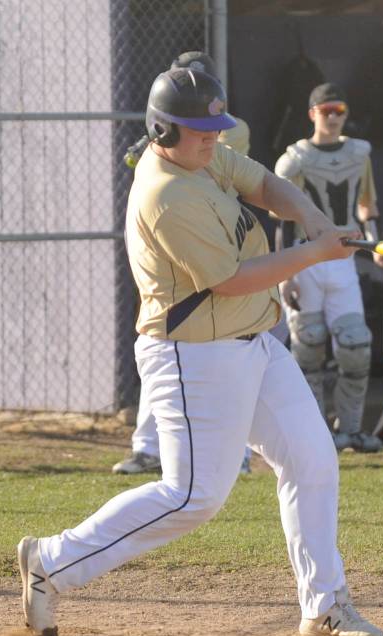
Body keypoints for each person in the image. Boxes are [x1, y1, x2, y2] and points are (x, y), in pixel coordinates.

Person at [17, 67, 383, 636]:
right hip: (194, 356)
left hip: (254, 343)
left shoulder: (204, 157)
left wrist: (313, 219)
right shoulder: (165, 195)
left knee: (313, 459)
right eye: (201, 130)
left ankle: (325, 605)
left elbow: (264, 185)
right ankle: (52, 562)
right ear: (163, 132)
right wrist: (315, 254)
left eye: (217, 128)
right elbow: (233, 281)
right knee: (193, 496)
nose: (214, 138)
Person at [114, 51, 256, 476]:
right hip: (177, 234)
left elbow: (207, 162)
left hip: (217, 234)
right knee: (163, 335)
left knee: (236, 348)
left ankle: (238, 452)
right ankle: (147, 447)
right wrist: (154, 147)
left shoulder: (232, 128)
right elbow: (149, 166)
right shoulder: (167, 142)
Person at [274, 83, 383, 453]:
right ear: (312, 114)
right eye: (326, 111)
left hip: (344, 258)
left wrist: (376, 244)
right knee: (308, 346)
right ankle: (313, 433)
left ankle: (350, 429)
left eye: (339, 110)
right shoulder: (295, 159)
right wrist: (285, 275)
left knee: (356, 344)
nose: (334, 117)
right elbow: (283, 219)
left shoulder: (359, 153)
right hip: (306, 258)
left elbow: (367, 206)